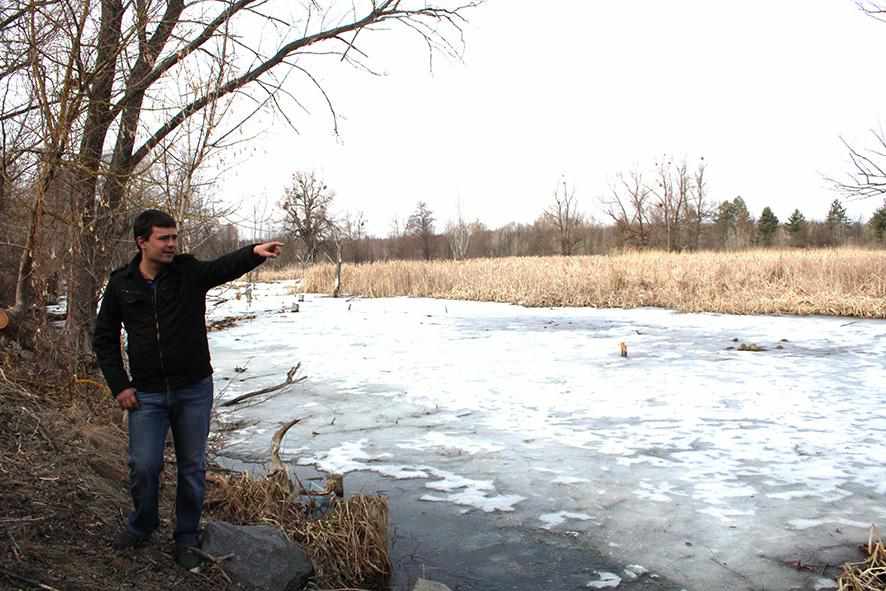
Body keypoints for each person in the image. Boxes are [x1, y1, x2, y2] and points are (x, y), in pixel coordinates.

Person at [93, 209, 282, 568]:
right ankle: (144, 523)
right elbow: (103, 340)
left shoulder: (188, 272)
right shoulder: (121, 285)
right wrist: (120, 386)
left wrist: (254, 252)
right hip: (146, 394)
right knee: (144, 466)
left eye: (174, 238)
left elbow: (223, 267)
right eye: (163, 238)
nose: (171, 245)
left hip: (193, 388)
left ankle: (186, 536)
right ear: (142, 241)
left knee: (192, 467)